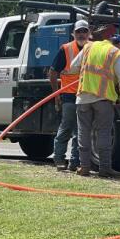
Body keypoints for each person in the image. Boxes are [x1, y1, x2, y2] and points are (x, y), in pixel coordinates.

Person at [68, 31, 120, 179]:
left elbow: (72, 67)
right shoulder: (116, 53)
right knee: (103, 132)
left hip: (83, 96)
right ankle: (105, 168)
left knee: (83, 132)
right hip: (103, 98)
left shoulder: (89, 46)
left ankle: (84, 167)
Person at [48, 19, 90, 171]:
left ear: (89, 33)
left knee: (81, 131)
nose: (81, 34)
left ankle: (75, 162)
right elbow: (52, 72)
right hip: (69, 95)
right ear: (73, 33)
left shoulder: (92, 48)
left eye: (84, 31)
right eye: (78, 31)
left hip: (86, 96)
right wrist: (56, 95)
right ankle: (59, 158)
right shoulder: (65, 49)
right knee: (66, 127)